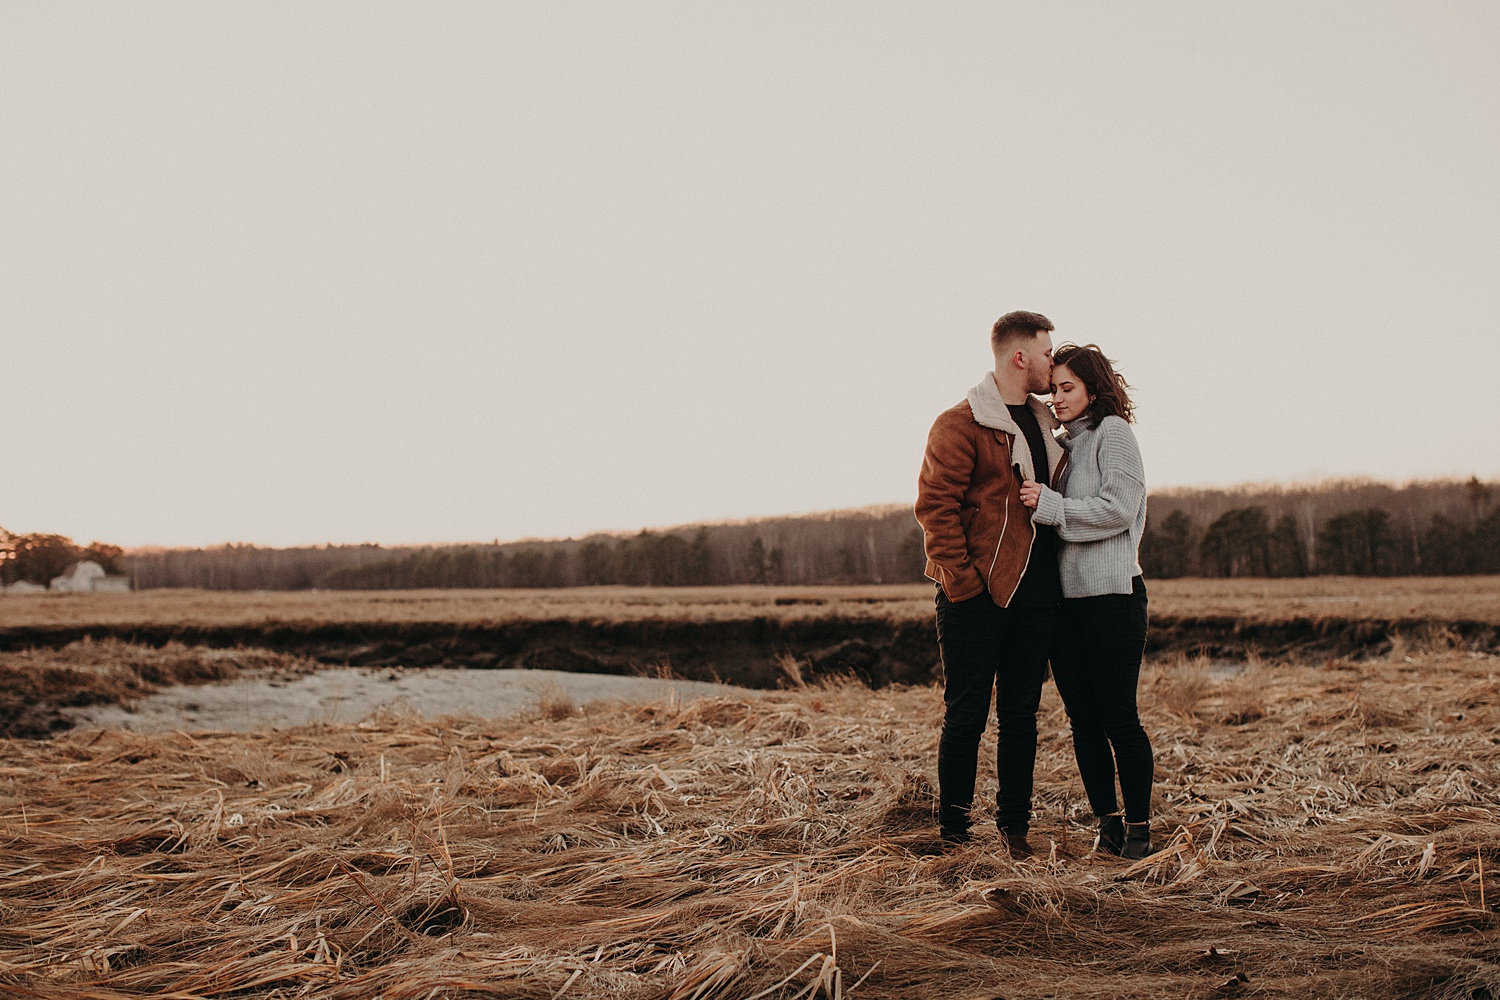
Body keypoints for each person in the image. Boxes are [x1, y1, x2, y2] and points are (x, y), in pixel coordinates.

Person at [914, 310, 1068, 855]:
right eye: (1048, 352)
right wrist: (964, 586)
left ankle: (1015, 832)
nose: (1054, 361)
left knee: (1021, 716)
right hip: (974, 596)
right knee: (967, 716)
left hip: (1037, 594)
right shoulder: (959, 424)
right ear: (1019, 356)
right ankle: (954, 835)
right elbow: (936, 509)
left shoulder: (1050, 423)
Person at [1018, 344, 1153, 860]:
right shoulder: (1069, 447)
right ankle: (1109, 827)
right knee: (1083, 723)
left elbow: (1119, 509)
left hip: (1113, 601)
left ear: (1094, 389)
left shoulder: (1114, 434)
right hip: (1068, 607)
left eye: (1067, 387)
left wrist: (1050, 506)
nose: (1056, 397)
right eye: (1053, 388)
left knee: (1119, 718)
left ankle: (1139, 832)